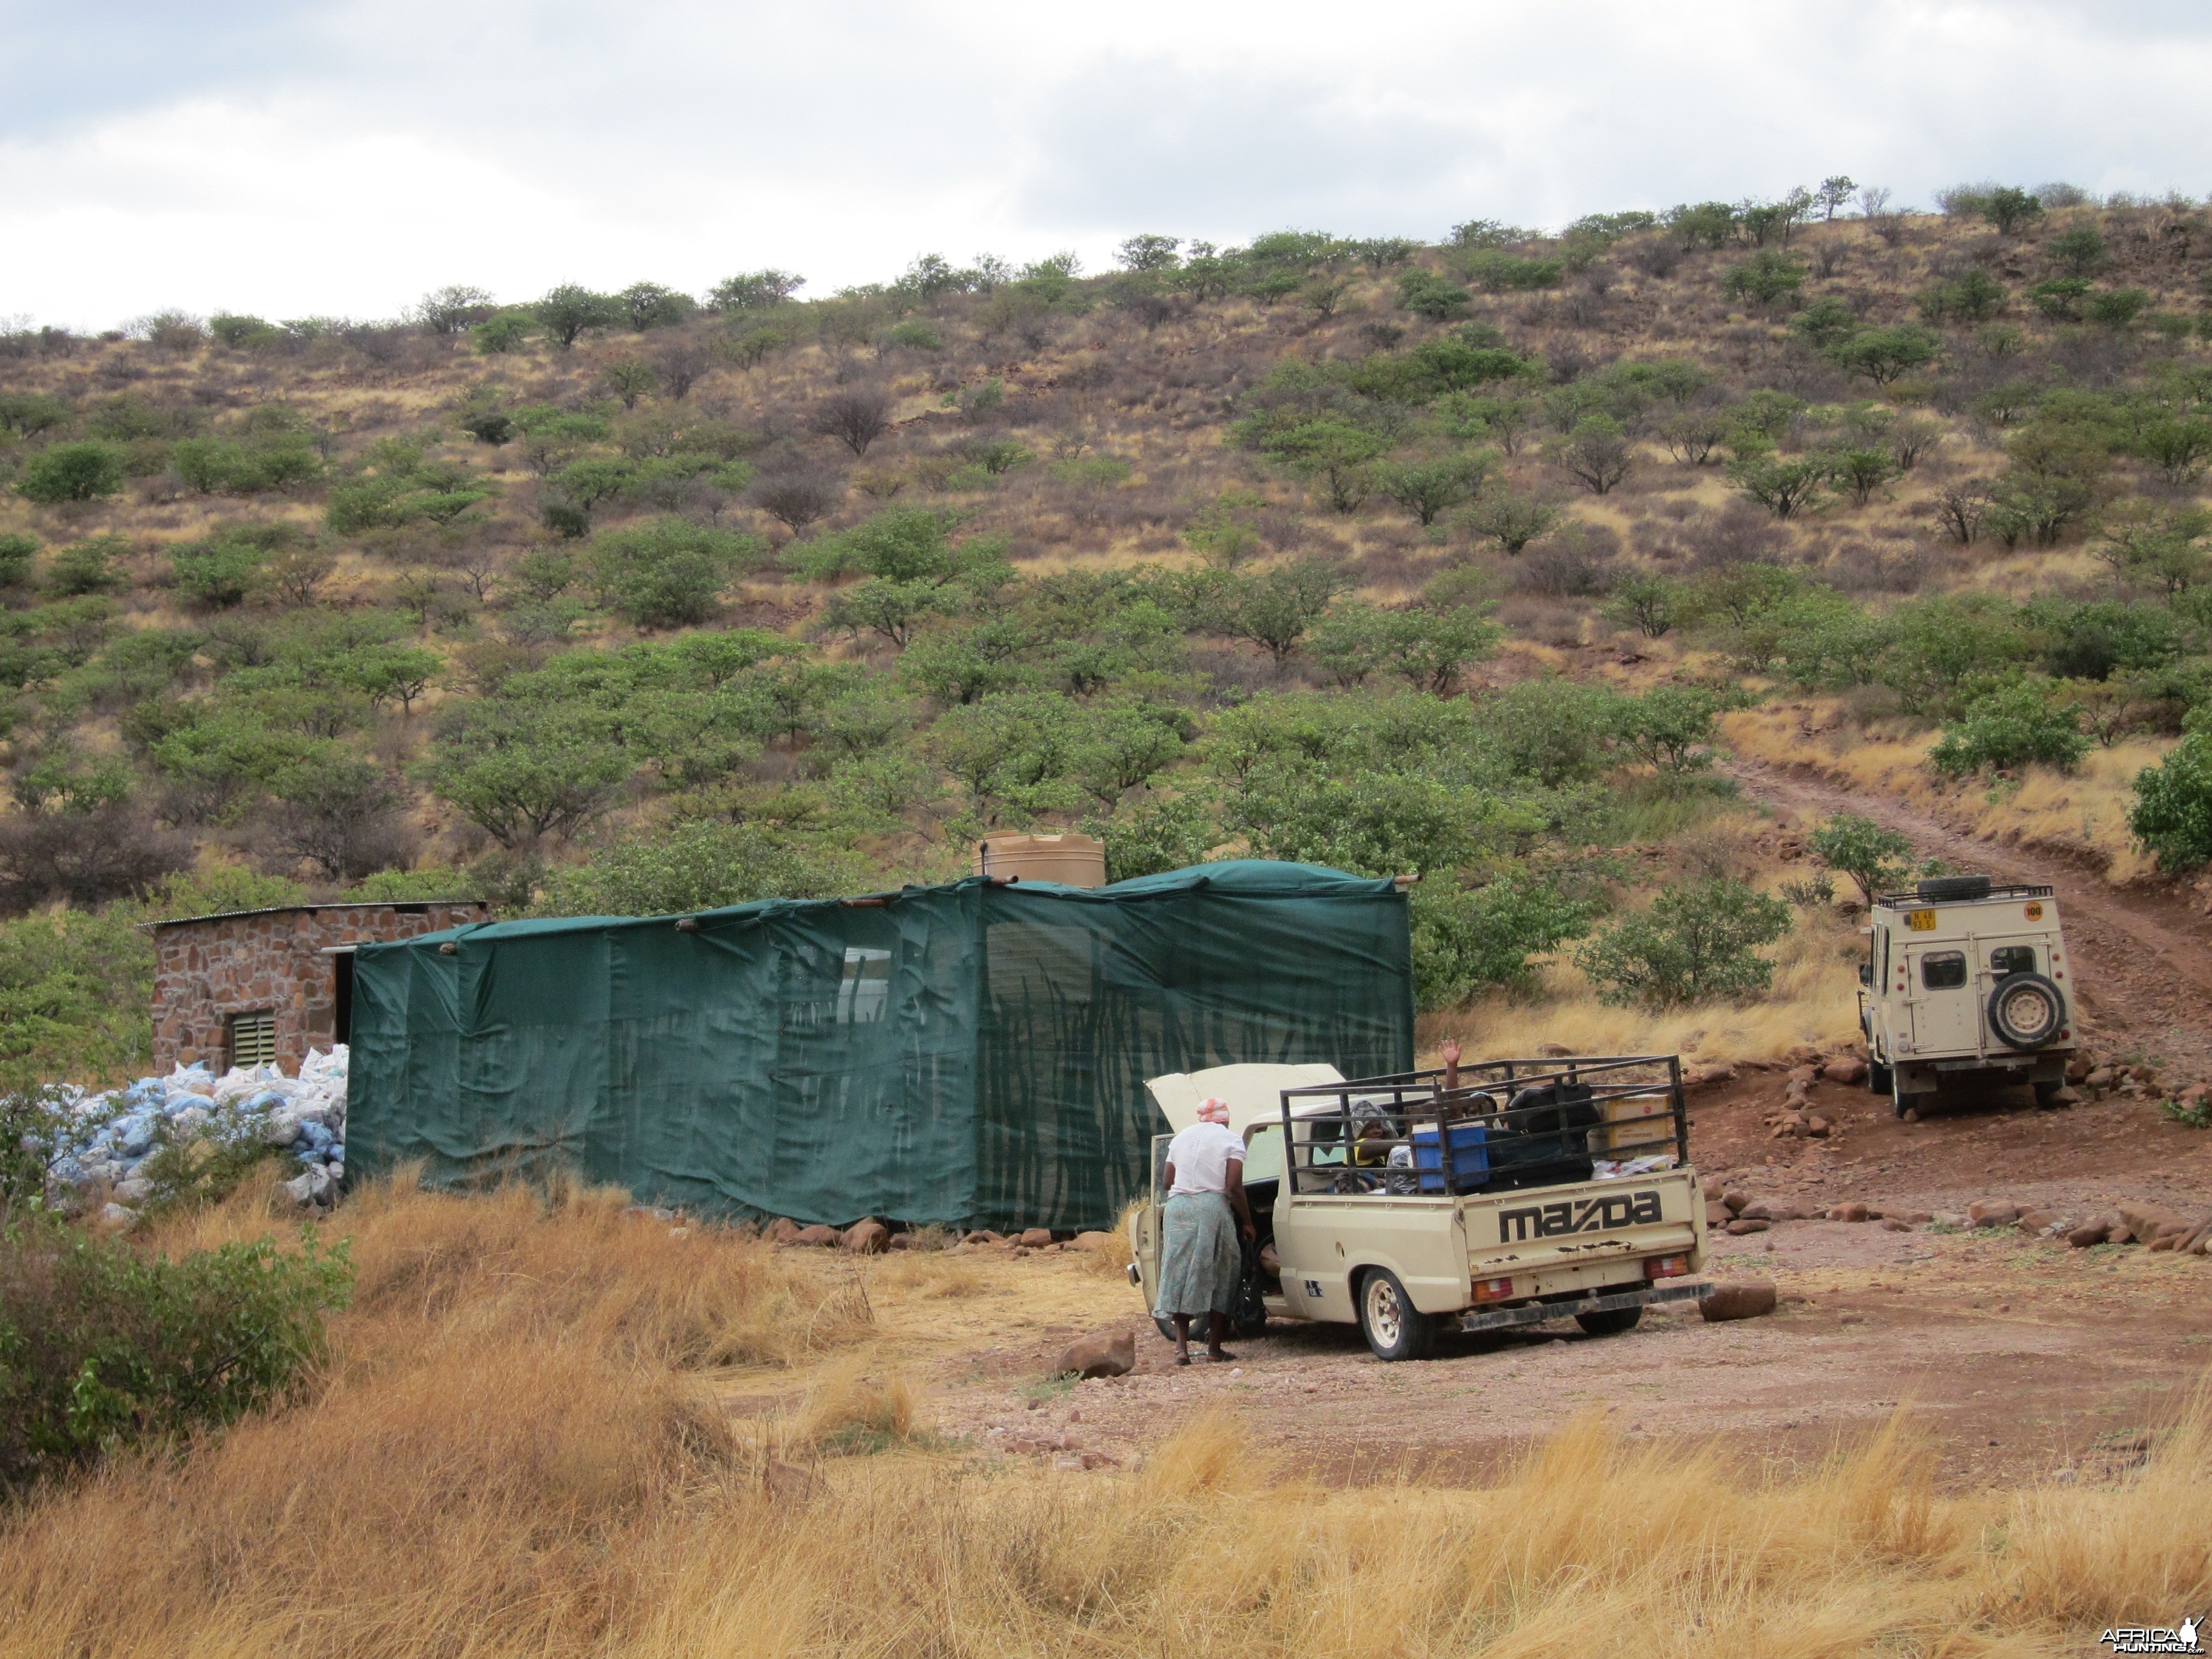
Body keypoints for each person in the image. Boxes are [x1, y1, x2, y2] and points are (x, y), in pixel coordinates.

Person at [1155, 1096, 1255, 1366]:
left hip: (1177, 1208)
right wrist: (1247, 1222)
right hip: (1211, 1208)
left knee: (1179, 1272)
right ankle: (1213, 1349)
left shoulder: (1180, 1138)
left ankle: (1181, 1349)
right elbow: (1233, 1186)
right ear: (1226, 1119)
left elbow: (1167, 1182)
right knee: (1221, 1272)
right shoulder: (1232, 1140)